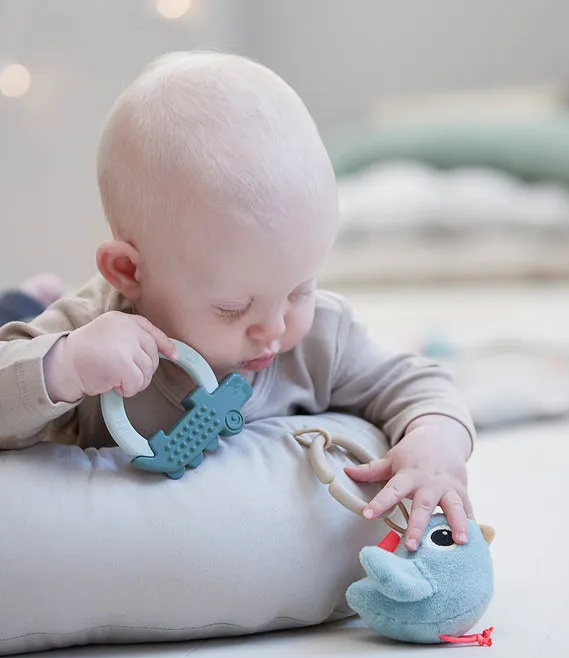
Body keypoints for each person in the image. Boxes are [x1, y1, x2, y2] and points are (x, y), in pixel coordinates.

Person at [0, 52, 475, 551]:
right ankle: (33, 298)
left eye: (299, 289)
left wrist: (435, 442)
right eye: (233, 307)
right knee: (17, 316)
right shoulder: (89, 330)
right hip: (38, 321)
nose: (273, 328)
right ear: (129, 272)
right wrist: (62, 366)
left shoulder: (321, 337)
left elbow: (421, 384)